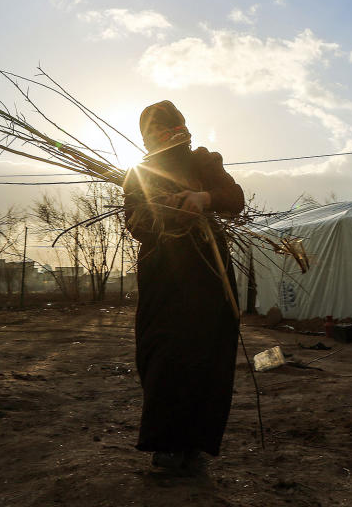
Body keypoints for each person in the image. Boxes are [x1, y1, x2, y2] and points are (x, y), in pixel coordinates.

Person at [123, 100, 245, 474]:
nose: (155, 137)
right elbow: (135, 222)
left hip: (207, 268)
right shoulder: (138, 172)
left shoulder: (203, 161)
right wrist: (164, 215)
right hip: (163, 271)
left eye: (161, 129)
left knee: (207, 351)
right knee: (163, 349)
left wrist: (201, 198)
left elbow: (234, 199)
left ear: (177, 126)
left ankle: (196, 441)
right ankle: (166, 442)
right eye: (149, 132)